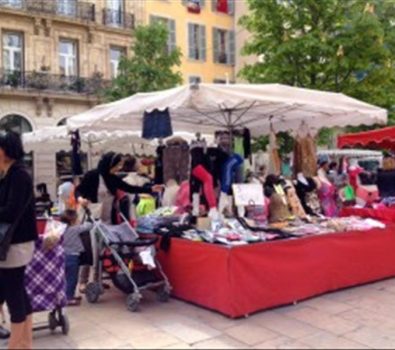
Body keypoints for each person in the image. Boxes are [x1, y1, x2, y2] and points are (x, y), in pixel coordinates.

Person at [75, 152, 162, 292]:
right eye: (118, 164)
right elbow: (79, 190)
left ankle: (97, 280)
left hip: (108, 219)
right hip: (92, 217)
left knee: (103, 251)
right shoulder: (92, 176)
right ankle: (83, 281)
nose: (120, 167)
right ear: (110, 164)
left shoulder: (112, 178)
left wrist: (150, 189)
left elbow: (128, 188)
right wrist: (80, 200)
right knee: (91, 250)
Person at [0, 131, 37, 349]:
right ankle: (25, 343)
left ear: (6, 150)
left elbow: (11, 210)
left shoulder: (19, 175)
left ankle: (16, 345)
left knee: (14, 293)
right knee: (18, 290)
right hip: (12, 243)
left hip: (16, 243)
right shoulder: (9, 174)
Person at [60, 209, 92, 306]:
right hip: (73, 257)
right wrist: (89, 217)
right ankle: (69, 298)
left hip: (61, 256)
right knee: (72, 279)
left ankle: (65, 295)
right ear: (73, 221)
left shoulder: (60, 229)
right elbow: (88, 226)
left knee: (64, 278)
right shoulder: (75, 229)